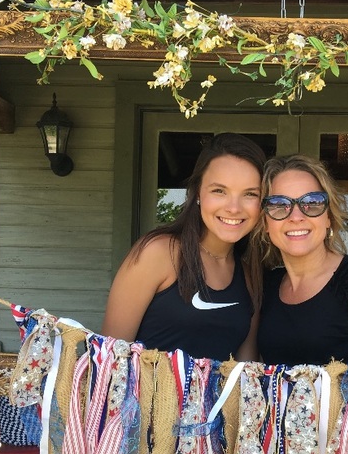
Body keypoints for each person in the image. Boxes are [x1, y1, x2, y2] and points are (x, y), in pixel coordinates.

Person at [101, 132, 267, 362]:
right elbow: (108, 360)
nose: (234, 207)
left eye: (250, 194)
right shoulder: (158, 254)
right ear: (198, 192)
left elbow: (245, 372)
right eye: (219, 191)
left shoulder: (249, 277)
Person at [255, 153, 348, 366]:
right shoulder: (267, 286)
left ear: (328, 217)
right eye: (279, 204)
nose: (296, 217)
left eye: (312, 202)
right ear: (265, 222)